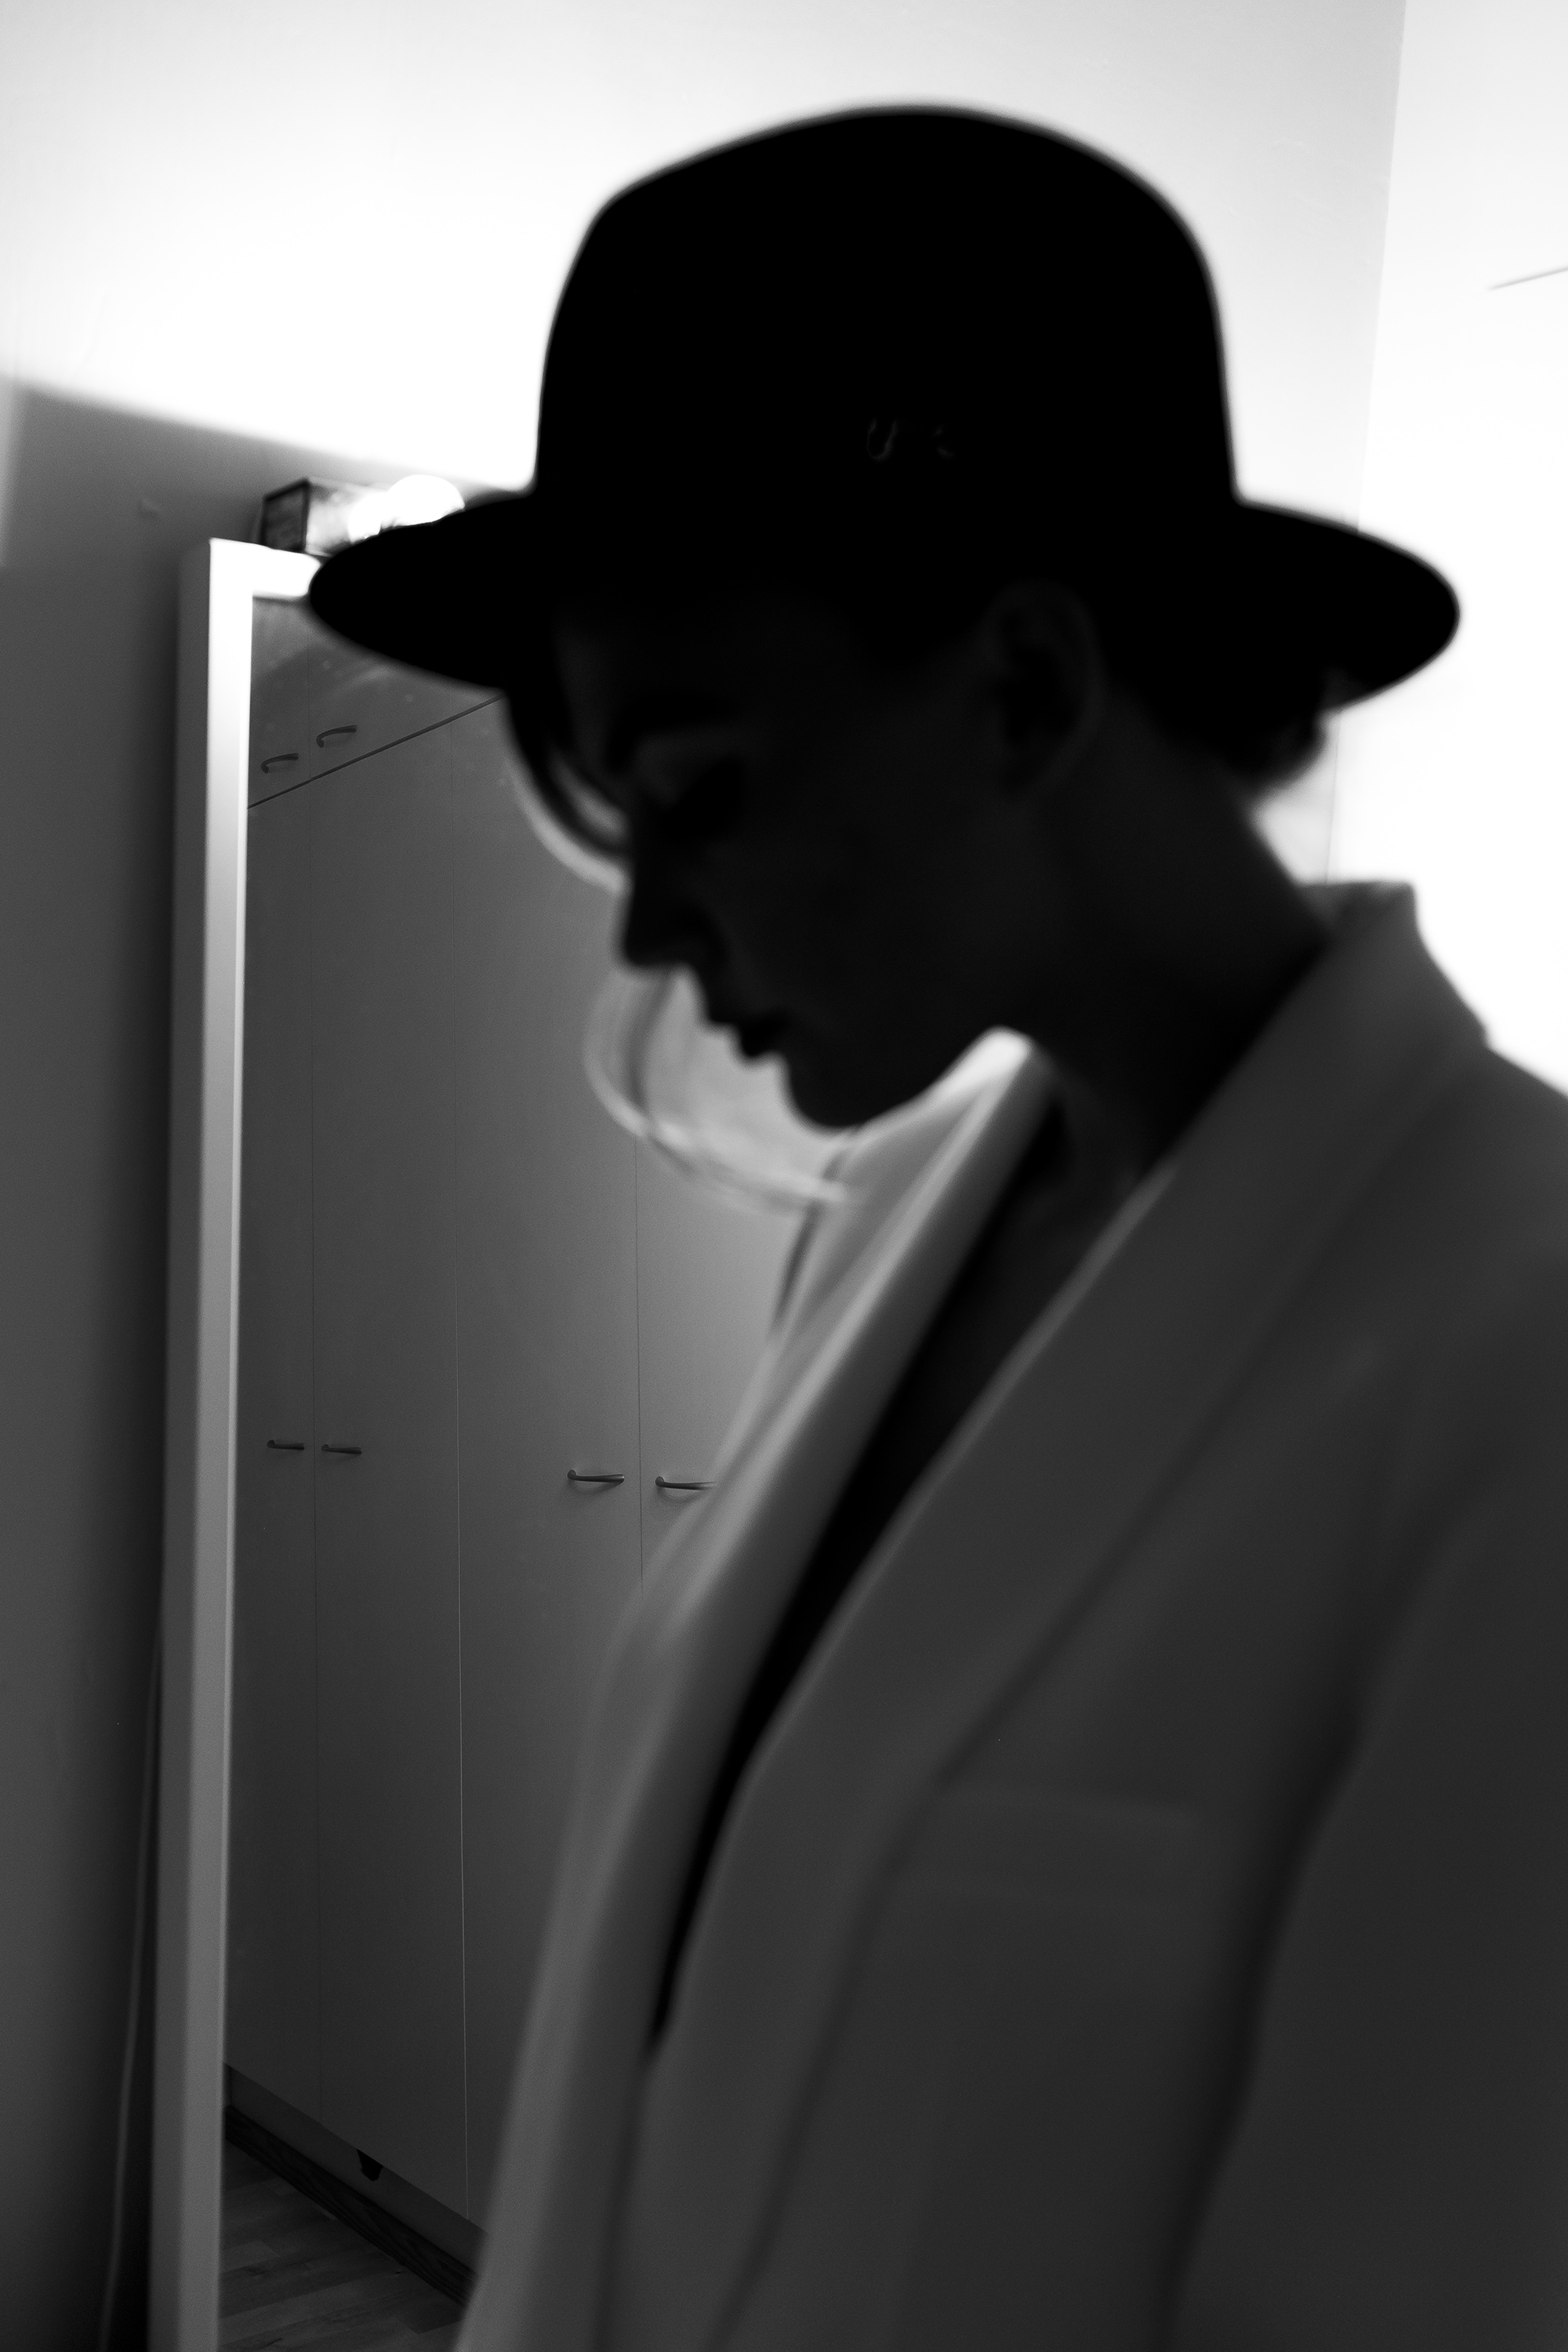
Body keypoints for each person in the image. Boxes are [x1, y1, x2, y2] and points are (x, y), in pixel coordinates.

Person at [310, 108, 1568, 2352]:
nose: (654, 930)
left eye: (696, 790)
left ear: (1023, 690)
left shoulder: (1519, 1349)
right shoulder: (885, 1229)